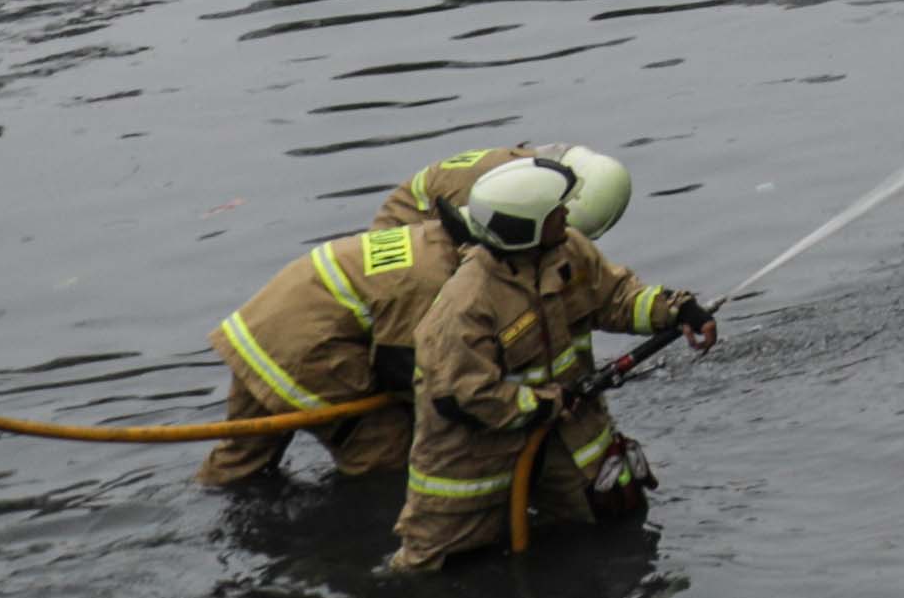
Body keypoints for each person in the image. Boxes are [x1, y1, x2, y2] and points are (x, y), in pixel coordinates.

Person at [205, 145, 637, 487]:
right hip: (310, 351)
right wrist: (494, 402)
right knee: (390, 460)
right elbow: (413, 368)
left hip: (263, 328)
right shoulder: (449, 285)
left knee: (238, 468)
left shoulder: (497, 205)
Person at [386, 157, 707, 577]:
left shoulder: (567, 251)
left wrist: (676, 310)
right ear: (526, 228)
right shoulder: (464, 306)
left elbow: (615, 298)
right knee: (440, 572)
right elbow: (464, 395)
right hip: (472, 464)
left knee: (615, 521)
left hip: (568, 435)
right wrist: (546, 402)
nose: (567, 215)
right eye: (557, 211)